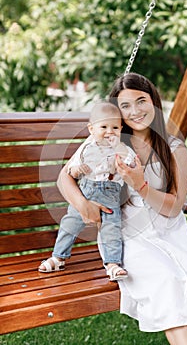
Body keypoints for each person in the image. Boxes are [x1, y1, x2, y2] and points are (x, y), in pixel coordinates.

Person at [56, 73, 187, 345]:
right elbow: (63, 177)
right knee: (169, 279)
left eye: (141, 101)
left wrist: (141, 185)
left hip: (169, 229)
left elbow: (174, 208)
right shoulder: (109, 137)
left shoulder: (172, 147)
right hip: (128, 232)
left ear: (154, 102)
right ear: (118, 112)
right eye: (125, 106)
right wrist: (84, 204)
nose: (135, 111)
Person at [38, 101, 136, 281]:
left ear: (121, 129)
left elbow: (132, 163)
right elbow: (71, 171)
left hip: (110, 195)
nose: (109, 131)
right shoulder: (86, 148)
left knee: (111, 229)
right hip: (86, 191)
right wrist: (77, 170)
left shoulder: (122, 149)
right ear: (91, 129)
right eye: (104, 126)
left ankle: (112, 264)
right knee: (69, 225)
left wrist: (120, 152)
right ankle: (58, 257)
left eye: (115, 127)